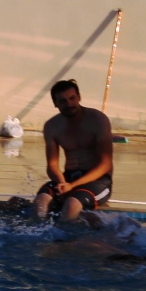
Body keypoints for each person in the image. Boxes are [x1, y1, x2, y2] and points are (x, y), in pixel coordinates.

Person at [32, 79, 114, 221]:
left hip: (99, 180)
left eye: (72, 98)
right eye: (63, 101)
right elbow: (52, 165)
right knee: (41, 201)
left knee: (71, 204)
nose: (69, 104)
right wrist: (62, 183)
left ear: (79, 97)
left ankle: (65, 241)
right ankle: (38, 238)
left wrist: (72, 186)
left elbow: (105, 164)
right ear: (55, 104)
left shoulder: (98, 120)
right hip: (69, 177)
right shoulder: (52, 126)